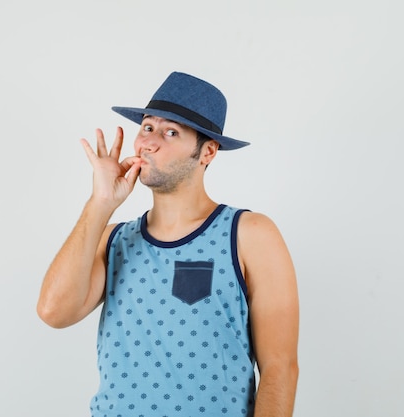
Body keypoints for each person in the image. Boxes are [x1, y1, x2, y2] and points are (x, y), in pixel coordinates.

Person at [37, 71, 299, 417]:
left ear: (207, 152)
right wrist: (100, 203)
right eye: (147, 127)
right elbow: (53, 312)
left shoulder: (249, 234)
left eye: (170, 132)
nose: (149, 142)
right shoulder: (112, 239)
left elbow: (280, 368)